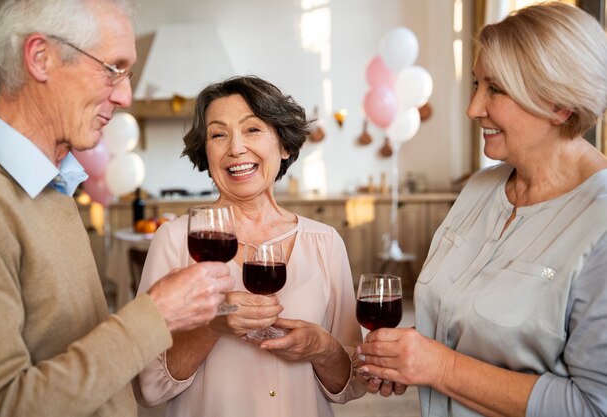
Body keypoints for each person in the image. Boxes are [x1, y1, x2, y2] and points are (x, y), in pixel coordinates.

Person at [0, 1, 234, 416]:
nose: (126, 95)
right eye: (112, 68)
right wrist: (156, 315)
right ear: (40, 58)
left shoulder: (52, 182)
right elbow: (1, 406)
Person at [358, 2, 607, 416]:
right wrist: (408, 355)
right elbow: (465, 323)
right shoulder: (480, 188)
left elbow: (593, 406)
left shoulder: (599, 222)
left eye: (496, 89)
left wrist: (439, 366)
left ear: (560, 105)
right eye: (477, 84)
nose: (474, 108)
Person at [134, 75, 366, 416]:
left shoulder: (325, 242)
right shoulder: (175, 240)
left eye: (252, 129)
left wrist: (322, 347)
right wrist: (213, 324)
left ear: (284, 145)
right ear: (206, 151)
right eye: (218, 134)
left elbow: (352, 384)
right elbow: (148, 387)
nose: (235, 148)